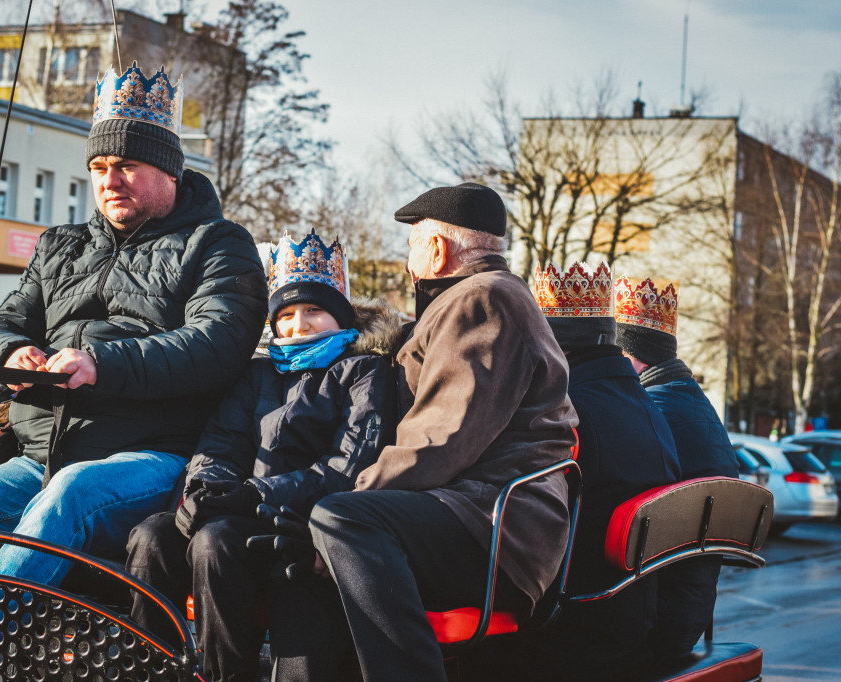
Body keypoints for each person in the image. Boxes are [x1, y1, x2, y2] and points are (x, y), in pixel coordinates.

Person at [0, 62, 267, 587]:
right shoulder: (58, 245)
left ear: (169, 171)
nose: (109, 181)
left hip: (150, 457)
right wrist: (9, 356)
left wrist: (100, 365)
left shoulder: (219, 243)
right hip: (38, 456)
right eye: (100, 166)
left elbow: (217, 343)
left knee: (69, 497)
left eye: (127, 165)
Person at [306, 183, 579, 682]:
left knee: (339, 519)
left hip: (494, 526)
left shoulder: (480, 300)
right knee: (323, 533)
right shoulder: (492, 296)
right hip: (485, 515)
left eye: (411, 247)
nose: (408, 265)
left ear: (436, 250)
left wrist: (351, 498)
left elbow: (439, 440)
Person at [126, 230, 401, 682]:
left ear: (339, 316)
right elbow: (220, 442)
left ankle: (224, 674)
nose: (299, 324)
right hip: (233, 505)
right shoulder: (259, 373)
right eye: (287, 315)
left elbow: (347, 465)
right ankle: (151, 669)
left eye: (314, 310)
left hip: (294, 520)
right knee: (152, 535)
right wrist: (204, 489)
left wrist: (251, 494)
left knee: (215, 544)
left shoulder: (364, 371)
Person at [494, 262, 681, 680]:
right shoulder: (649, 406)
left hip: (567, 639)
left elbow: (517, 527)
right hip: (630, 627)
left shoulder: (567, 412)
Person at [614, 274, 739, 661]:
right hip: (690, 619)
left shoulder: (651, 414)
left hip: (649, 624)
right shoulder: (698, 406)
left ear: (631, 355)